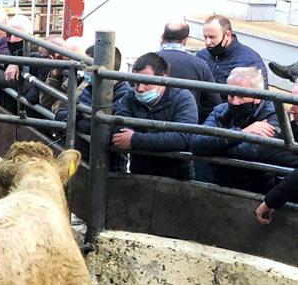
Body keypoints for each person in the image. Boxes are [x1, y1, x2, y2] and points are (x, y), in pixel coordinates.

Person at [190, 68, 298, 193]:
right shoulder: (220, 110)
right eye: (231, 95)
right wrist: (241, 133)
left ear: (257, 97)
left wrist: (213, 147)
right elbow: (197, 144)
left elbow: (251, 151)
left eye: (241, 95)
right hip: (216, 184)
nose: (235, 101)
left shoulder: (274, 115)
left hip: (255, 190)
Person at [111, 52, 198, 180]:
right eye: (136, 83)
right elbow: (118, 129)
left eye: (147, 82)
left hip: (177, 176)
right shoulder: (130, 97)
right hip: (140, 174)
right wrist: (157, 139)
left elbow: (182, 138)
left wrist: (134, 139)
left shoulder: (183, 98)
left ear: (163, 78)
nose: (140, 88)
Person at [157, 20, 222, 122]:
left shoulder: (148, 60)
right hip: (186, 124)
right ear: (185, 39)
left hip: (148, 124)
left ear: (163, 36)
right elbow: (212, 103)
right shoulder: (199, 65)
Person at [255, 83, 298, 224]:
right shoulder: (294, 126)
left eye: (295, 104)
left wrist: (270, 202)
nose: (291, 110)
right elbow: (266, 152)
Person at [196, 14, 267, 88]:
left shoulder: (251, 61)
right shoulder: (201, 56)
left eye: (212, 37)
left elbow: (261, 93)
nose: (207, 42)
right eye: (205, 37)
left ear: (228, 35)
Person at [40, 36, 86, 113]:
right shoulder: (70, 75)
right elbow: (45, 102)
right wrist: (57, 72)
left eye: (74, 58)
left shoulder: (88, 80)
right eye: (64, 57)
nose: (70, 62)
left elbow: (56, 108)